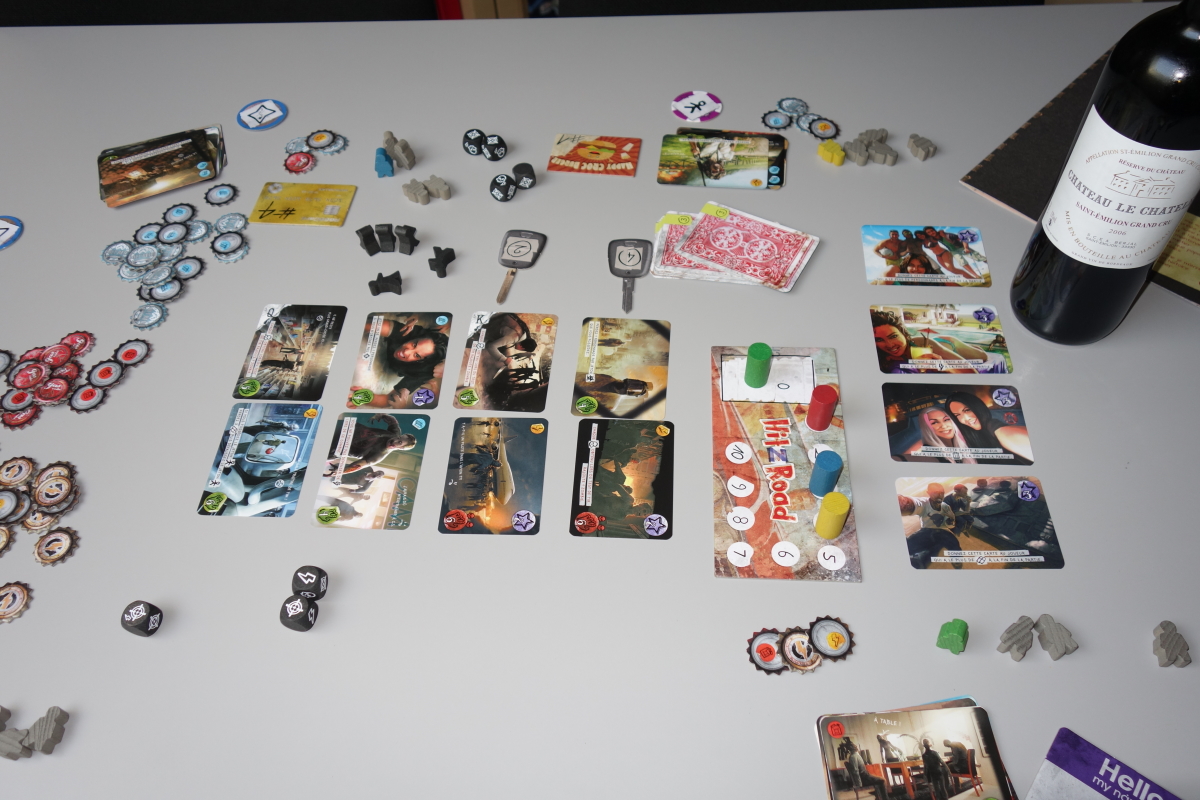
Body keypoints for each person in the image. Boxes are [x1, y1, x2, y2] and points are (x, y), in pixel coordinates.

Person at [348, 317, 449, 409]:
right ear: (416, 337)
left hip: (397, 369)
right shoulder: (409, 332)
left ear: (421, 361)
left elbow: (389, 400)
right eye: (414, 344)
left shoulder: (424, 372)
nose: (406, 352)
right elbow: (366, 324)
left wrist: (363, 398)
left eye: (416, 355)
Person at [871, 310, 996, 374]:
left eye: (893, 336)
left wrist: (944, 367)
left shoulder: (920, 343)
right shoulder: (880, 356)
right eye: (879, 340)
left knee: (983, 356)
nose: (889, 345)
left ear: (903, 333)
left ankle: (973, 346)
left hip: (950, 343)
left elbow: (971, 372)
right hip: (938, 344)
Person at [944, 391, 1032, 465]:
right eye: (957, 415)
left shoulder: (997, 429)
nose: (966, 419)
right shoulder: (972, 436)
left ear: (977, 407)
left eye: (967, 410)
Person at [905, 408, 977, 464]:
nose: (944, 426)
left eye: (946, 420)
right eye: (934, 423)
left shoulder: (969, 441)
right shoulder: (928, 453)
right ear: (926, 427)